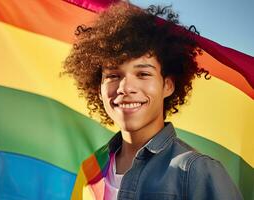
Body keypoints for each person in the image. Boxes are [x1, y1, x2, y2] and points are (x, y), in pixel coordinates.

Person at [63, 2, 243, 200]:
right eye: (113, 75)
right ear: (98, 87)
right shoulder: (90, 169)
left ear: (168, 85)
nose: (125, 88)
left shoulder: (197, 171)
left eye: (142, 73)